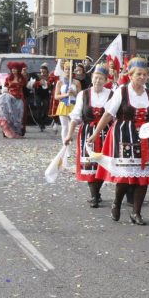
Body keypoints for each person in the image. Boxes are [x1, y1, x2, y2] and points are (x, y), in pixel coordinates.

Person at [91, 56, 149, 225]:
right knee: (125, 176)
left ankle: (136, 212)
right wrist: (96, 134)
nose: (142, 77)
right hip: (125, 136)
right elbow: (109, 113)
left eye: (145, 74)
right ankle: (117, 202)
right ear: (130, 75)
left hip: (145, 136)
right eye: (138, 74)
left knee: (143, 177)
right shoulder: (122, 91)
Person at [64, 65, 113, 207]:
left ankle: (97, 192)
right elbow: (75, 117)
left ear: (105, 80)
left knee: (102, 163)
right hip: (88, 132)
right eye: (95, 78)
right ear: (92, 79)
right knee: (89, 164)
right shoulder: (83, 94)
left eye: (101, 78)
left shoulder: (111, 94)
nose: (98, 81)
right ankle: (94, 195)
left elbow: (113, 115)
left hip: (106, 133)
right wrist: (69, 135)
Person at [0, 62, 27, 138]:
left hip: (19, 99)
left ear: (18, 70)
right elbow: (5, 87)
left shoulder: (22, 78)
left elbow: (25, 85)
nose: (13, 70)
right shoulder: (8, 78)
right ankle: (6, 131)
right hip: (9, 99)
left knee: (17, 115)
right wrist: (6, 91)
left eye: (15, 69)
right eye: (12, 69)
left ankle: (17, 131)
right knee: (7, 114)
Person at [53, 62, 78, 145]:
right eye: (66, 69)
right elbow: (56, 96)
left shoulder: (77, 82)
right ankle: (65, 147)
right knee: (64, 127)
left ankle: (69, 143)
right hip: (63, 105)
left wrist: (73, 93)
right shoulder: (60, 82)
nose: (68, 70)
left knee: (71, 127)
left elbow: (80, 96)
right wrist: (66, 94)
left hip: (73, 105)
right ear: (63, 70)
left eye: (69, 68)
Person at [27, 64, 52, 132]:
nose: (42, 73)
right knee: (38, 108)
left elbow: (51, 85)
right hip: (38, 94)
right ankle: (40, 124)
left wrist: (47, 83)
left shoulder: (49, 77)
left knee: (46, 107)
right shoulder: (37, 77)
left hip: (46, 95)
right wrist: (38, 83)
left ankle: (43, 120)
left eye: (44, 72)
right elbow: (31, 85)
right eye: (41, 72)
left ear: (47, 72)